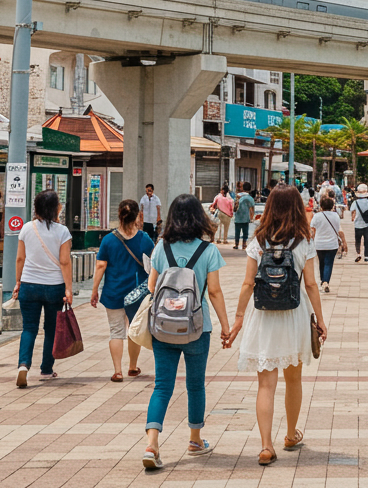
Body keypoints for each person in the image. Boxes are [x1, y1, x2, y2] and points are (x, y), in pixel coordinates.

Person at [226, 186, 327, 464]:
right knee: (293, 379)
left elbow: (248, 283)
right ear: (297, 207)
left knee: (265, 385)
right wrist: (319, 319)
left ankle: (266, 446)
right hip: (294, 315)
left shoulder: (258, 239)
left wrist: (238, 318)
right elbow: (310, 285)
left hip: (264, 315)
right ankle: (292, 434)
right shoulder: (303, 240)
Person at [142, 195, 229, 469]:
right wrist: (226, 326)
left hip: (163, 327)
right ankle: (194, 440)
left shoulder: (161, 248)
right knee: (195, 385)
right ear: (198, 218)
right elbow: (213, 291)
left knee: (162, 386)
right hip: (197, 326)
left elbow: (151, 287)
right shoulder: (209, 250)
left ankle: (152, 444)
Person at [12, 190, 73, 387]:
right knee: (51, 329)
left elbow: (20, 258)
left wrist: (18, 282)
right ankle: (46, 369)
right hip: (54, 286)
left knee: (29, 328)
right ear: (56, 208)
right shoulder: (62, 231)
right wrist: (69, 289)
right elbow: (65, 262)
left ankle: (23, 365)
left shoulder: (26, 228)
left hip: (29, 285)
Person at [91, 198, 154, 381]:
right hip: (138, 294)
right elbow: (153, 264)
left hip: (114, 292)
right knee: (134, 329)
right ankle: (132, 367)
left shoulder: (109, 240)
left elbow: (101, 266)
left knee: (116, 331)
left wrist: (95, 290)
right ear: (137, 217)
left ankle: (117, 371)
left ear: (119, 215)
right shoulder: (145, 239)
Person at [309, 196, 346, 293]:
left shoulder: (317, 216)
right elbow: (338, 230)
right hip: (332, 244)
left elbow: (312, 230)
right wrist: (344, 242)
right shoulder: (336, 216)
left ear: (321, 206)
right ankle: (325, 282)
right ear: (332, 206)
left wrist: (311, 240)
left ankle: (323, 281)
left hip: (319, 244)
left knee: (321, 263)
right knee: (328, 263)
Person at [351, 184, 368, 263]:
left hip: (358, 224)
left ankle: (358, 254)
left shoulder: (355, 202)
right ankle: (366, 256)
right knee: (367, 240)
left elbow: (353, 212)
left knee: (358, 240)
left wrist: (353, 218)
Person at [233, 181, 256, 249]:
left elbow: (234, 206)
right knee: (245, 232)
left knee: (237, 232)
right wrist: (252, 217)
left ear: (242, 188)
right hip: (246, 218)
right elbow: (252, 208)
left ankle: (236, 244)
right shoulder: (250, 198)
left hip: (238, 217)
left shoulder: (238, 196)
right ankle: (244, 244)